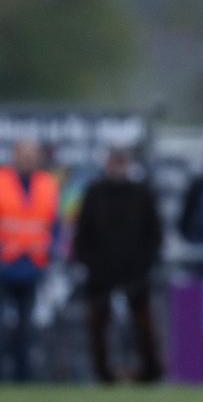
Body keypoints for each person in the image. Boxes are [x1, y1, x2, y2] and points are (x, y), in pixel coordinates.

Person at [73, 149, 163, 383]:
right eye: (115, 162)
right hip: (100, 273)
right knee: (98, 325)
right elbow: (83, 233)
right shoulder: (95, 192)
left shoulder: (142, 193)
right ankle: (102, 373)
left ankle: (150, 372)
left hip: (136, 272)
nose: (119, 167)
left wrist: (145, 266)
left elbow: (154, 234)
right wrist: (91, 264)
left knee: (143, 325)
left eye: (123, 162)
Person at [0, 140, 59, 382]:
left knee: (27, 329)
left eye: (31, 154)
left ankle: (22, 378)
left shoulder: (48, 184)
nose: (27, 159)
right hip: (5, 264)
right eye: (22, 154)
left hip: (33, 265)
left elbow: (55, 225)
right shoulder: (2, 181)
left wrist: (50, 251)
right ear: (14, 155)